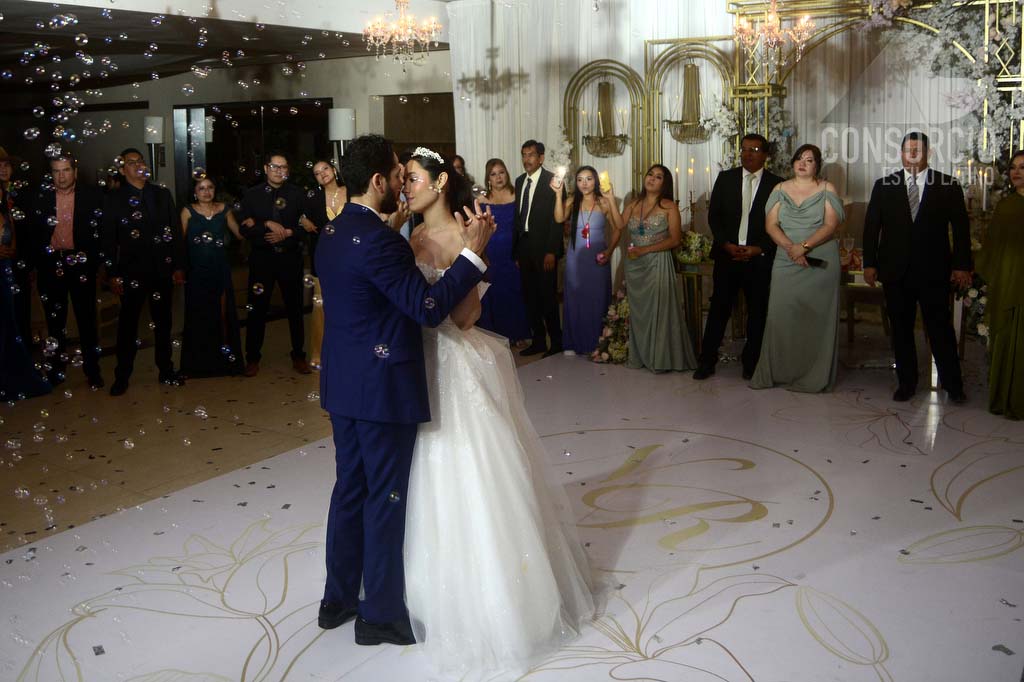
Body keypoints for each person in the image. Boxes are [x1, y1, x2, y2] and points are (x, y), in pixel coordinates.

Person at [403, 146, 596, 677]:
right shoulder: (411, 236)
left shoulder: (462, 234)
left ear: (439, 182)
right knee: (427, 471)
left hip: (454, 359)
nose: (406, 188)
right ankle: (431, 589)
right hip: (419, 361)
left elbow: (465, 318)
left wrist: (472, 256)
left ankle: (501, 601)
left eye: (413, 178)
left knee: (470, 466)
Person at [314, 135, 493, 648]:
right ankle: (380, 615)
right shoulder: (383, 241)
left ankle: (337, 600)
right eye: (397, 174)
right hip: (382, 390)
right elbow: (429, 310)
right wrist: (472, 257)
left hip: (343, 385)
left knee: (349, 490)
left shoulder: (332, 231)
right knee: (384, 498)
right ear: (378, 180)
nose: (402, 182)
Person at [863, 131, 971, 403]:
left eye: (918, 150)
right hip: (895, 271)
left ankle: (953, 385)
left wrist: (961, 265)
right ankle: (907, 383)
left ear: (928, 153)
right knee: (901, 330)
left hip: (934, 271)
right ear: (901, 154)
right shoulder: (884, 186)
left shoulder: (948, 185)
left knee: (940, 329)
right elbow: (871, 228)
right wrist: (869, 264)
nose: (912, 154)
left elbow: (961, 230)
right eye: (908, 150)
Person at [751, 144, 845, 392]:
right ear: (792, 162)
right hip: (786, 258)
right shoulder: (779, 189)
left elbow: (830, 225)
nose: (803, 163)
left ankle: (814, 374)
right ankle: (780, 372)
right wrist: (791, 249)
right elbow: (771, 225)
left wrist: (803, 247)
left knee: (815, 319)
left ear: (817, 166)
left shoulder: (827, 189)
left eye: (809, 160)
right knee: (781, 315)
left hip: (821, 258)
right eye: (799, 159)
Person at [694, 134, 783, 380]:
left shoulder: (777, 184)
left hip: (759, 259)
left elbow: (780, 222)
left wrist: (759, 248)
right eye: (744, 149)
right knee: (719, 309)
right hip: (728, 256)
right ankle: (707, 360)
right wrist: (725, 244)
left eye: (754, 149)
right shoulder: (726, 178)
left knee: (758, 312)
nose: (747, 154)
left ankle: (751, 362)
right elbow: (714, 216)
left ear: (765, 155)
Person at [102, 147, 185, 396]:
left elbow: (174, 232)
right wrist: (112, 273)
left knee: (163, 322)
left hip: (162, 269)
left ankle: (166, 370)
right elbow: (108, 239)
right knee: (128, 325)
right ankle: (122, 376)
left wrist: (178, 266)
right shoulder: (114, 199)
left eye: (140, 161)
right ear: (122, 170)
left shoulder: (161, 194)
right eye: (131, 162)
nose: (138, 165)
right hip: (131, 271)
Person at [611, 164, 696, 372]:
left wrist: (645, 250)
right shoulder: (634, 203)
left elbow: (675, 240)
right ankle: (641, 355)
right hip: (634, 264)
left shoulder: (669, 206)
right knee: (640, 312)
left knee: (659, 310)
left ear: (664, 183)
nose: (652, 179)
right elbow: (619, 225)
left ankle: (660, 358)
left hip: (657, 263)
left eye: (658, 177)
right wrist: (610, 198)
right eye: (650, 174)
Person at [30, 154, 105, 387]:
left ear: (75, 172)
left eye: (65, 170)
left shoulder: (92, 195)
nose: (61, 176)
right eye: (56, 171)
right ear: (51, 173)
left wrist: (98, 263)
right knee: (55, 320)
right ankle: (56, 370)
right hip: (51, 263)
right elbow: (31, 232)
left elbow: (101, 231)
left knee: (87, 318)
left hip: (81, 263)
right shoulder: (40, 196)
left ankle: (92, 370)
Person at [237, 151, 310, 377]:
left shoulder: (298, 195)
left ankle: (298, 355)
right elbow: (243, 228)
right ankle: (252, 358)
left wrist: (288, 232)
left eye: (284, 167)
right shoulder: (251, 195)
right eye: (275, 166)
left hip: (290, 258)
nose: (279, 171)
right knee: (256, 309)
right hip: (262, 259)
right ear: (266, 169)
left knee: (295, 309)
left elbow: (308, 228)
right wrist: (266, 224)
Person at [974, 149, 1024, 419]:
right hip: (1006, 280)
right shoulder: (1005, 206)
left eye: (1023, 167)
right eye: (1013, 167)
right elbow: (992, 247)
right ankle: (1004, 398)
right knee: (1005, 336)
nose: (1016, 172)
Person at [178, 176, 245, 378]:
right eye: (201, 188)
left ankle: (224, 363)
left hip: (220, 269)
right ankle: (197, 365)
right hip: (196, 271)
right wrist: (179, 269)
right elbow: (179, 243)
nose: (206, 192)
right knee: (198, 316)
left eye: (210, 187)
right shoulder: (187, 211)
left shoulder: (224, 210)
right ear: (194, 192)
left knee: (222, 316)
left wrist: (252, 222)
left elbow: (240, 234)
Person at [553, 165, 622, 355]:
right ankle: (572, 343)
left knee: (597, 299)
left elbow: (619, 227)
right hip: (575, 258)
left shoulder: (604, 202)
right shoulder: (572, 201)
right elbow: (559, 218)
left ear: (596, 181)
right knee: (574, 298)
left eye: (589, 179)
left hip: (598, 258)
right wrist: (558, 194)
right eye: (580, 179)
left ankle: (598, 343)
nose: (584, 183)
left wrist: (609, 251)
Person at [513, 140, 564, 357]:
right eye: (524, 155)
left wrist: (552, 250)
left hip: (545, 249)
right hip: (524, 247)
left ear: (541, 158)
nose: (527, 159)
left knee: (548, 297)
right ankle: (539, 340)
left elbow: (557, 221)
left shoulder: (553, 181)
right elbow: (518, 217)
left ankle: (557, 342)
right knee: (530, 297)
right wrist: (516, 251)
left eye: (531, 155)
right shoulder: (519, 181)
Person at [0, 185, 51, 402]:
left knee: (8, 323)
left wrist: (10, 250)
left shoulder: (7, 215)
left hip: (5, 271)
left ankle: (12, 377)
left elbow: (13, 243)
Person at [477, 157, 531, 343]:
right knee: (494, 292)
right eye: (493, 174)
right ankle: (496, 336)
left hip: (513, 252)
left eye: (501, 172)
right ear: (488, 179)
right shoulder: (481, 200)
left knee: (514, 292)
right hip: (491, 252)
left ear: (507, 174)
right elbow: (479, 230)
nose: (498, 177)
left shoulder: (518, 195)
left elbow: (525, 226)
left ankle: (518, 334)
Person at [299, 159, 346, 369]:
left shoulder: (351, 192)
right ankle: (319, 355)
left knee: (349, 305)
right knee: (321, 307)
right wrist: (302, 220)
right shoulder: (313, 199)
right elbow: (296, 214)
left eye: (325, 168)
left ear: (334, 170)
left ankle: (347, 352)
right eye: (317, 173)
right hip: (324, 258)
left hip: (350, 257)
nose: (322, 174)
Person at [1, 146, 33, 348]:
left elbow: (29, 231)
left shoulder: (20, 194)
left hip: (19, 263)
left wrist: (30, 263)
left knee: (21, 314)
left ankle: (24, 355)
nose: (3, 169)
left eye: (6, 165)